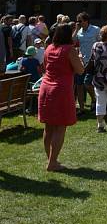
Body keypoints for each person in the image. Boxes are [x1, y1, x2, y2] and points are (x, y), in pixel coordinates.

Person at [38, 20, 84, 171]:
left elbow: (45, 67)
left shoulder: (49, 47)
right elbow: (80, 70)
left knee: (48, 126)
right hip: (61, 90)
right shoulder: (70, 50)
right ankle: (52, 162)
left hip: (46, 88)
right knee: (60, 127)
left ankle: (51, 160)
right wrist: (81, 59)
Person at [75, 13, 100, 115]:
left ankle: (94, 99)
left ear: (86, 21)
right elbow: (72, 42)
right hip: (82, 61)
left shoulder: (96, 29)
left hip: (93, 61)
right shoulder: (79, 31)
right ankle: (81, 109)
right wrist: (76, 30)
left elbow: (100, 43)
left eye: (80, 21)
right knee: (79, 85)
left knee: (87, 84)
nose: (78, 23)